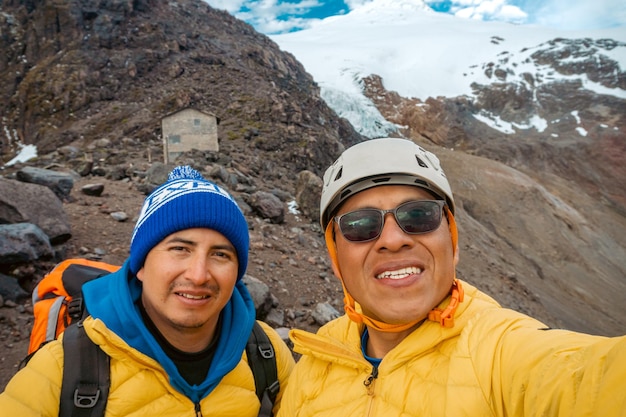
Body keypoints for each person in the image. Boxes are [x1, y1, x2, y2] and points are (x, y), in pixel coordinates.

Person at [277, 137, 626, 417]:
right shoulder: (314, 363)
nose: (393, 239)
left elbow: (592, 379)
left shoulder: (502, 351)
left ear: (452, 240)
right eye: (360, 225)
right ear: (336, 257)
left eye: (419, 215)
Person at [0, 166, 294, 416]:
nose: (198, 274)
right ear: (141, 265)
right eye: (180, 249)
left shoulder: (265, 353)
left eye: (221, 255)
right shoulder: (63, 369)